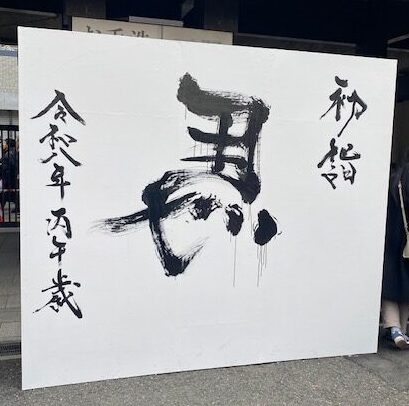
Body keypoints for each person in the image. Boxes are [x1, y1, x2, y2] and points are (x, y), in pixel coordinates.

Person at [382, 160, 409, 349]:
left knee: (388, 283)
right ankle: (403, 331)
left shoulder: (395, 181)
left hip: (392, 237)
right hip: (408, 243)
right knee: (406, 284)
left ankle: (394, 328)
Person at [0, 138, 18, 213]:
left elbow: (10, 166)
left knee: (4, 193)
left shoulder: (8, 154)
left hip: (8, 177)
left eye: (4, 143)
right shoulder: (12, 152)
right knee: (10, 193)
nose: (3, 145)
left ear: (8, 145)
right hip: (10, 177)